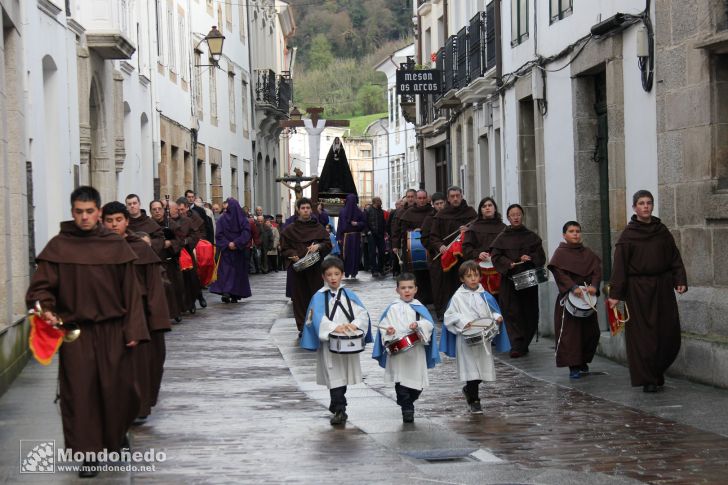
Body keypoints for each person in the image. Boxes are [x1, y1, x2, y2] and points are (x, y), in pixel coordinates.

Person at [26, 186, 148, 478]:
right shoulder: (59, 246)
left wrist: (133, 329)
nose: (84, 217)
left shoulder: (115, 246)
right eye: (79, 212)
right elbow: (41, 288)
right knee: (80, 394)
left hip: (113, 330)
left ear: (98, 211)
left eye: (90, 211)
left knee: (117, 390)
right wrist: (47, 309)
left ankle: (116, 434)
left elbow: (130, 292)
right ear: (72, 212)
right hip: (76, 333)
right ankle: (88, 454)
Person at [608, 190, 687, 393]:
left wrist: (679, 279)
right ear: (634, 207)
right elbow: (620, 266)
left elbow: (674, 257)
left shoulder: (662, 231)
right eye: (641, 203)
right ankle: (648, 378)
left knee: (667, 332)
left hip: (662, 286)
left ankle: (658, 370)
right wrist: (616, 294)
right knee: (644, 335)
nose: (645, 206)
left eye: (649, 203)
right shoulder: (628, 235)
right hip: (638, 290)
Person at [102, 202, 171, 425]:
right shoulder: (97, 249)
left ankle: (140, 406)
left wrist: (156, 320)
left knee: (143, 364)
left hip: (141, 315)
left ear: (126, 221)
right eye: (109, 221)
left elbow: (154, 287)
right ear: (103, 222)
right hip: (108, 317)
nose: (114, 225)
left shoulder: (141, 249)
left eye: (118, 220)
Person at [300, 257, 372, 425]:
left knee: (343, 375)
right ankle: (340, 409)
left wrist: (354, 325)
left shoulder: (349, 295)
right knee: (334, 374)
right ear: (323, 277)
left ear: (342, 275)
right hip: (329, 343)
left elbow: (362, 314)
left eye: (336, 274)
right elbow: (316, 318)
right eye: (329, 274)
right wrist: (333, 327)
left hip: (347, 342)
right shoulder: (318, 297)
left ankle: (336, 402)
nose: (333, 278)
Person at [372, 273, 440, 423]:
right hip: (399, 353)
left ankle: (407, 400)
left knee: (417, 386)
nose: (407, 290)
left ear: (416, 289)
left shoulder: (419, 307)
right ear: (397, 290)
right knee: (401, 382)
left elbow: (429, 325)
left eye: (410, 287)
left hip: (416, 351)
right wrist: (388, 331)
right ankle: (407, 408)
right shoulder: (392, 308)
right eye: (403, 288)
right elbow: (384, 326)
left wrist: (419, 325)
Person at [440, 261, 507, 413]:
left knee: (482, 371)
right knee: (471, 370)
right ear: (462, 279)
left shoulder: (485, 295)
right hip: (465, 340)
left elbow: (492, 311)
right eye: (469, 276)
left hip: (483, 339)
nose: (473, 279)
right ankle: (474, 401)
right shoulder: (457, 297)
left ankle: (468, 390)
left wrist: (497, 317)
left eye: (476, 275)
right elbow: (450, 316)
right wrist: (465, 322)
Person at [490, 204, 546, 358]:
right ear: (508, 218)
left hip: (528, 281)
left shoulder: (531, 236)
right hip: (509, 281)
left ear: (522, 216)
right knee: (511, 312)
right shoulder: (502, 238)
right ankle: (516, 344)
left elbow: (541, 256)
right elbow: (496, 257)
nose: (515, 217)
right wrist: (509, 263)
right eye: (512, 215)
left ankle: (524, 343)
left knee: (529, 312)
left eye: (518, 214)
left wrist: (530, 258)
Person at [548, 221, 602, 379]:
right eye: (571, 231)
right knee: (571, 335)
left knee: (591, 332)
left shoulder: (588, 253)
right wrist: (572, 288)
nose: (575, 234)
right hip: (570, 298)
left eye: (578, 231)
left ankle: (583, 360)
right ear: (564, 235)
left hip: (587, 298)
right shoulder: (560, 253)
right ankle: (573, 365)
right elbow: (559, 273)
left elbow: (596, 271)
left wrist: (594, 286)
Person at [280, 198, 333, 335]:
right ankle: (303, 327)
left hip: (314, 269)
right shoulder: (290, 229)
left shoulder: (318, 227)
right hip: (297, 269)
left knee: (315, 297)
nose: (305, 210)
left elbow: (328, 244)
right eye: (302, 208)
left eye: (308, 208)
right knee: (299, 299)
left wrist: (318, 246)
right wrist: (292, 254)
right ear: (298, 210)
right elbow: (284, 248)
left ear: (311, 209)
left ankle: (316, 324)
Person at [428, 186, 478, 317]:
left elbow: (478, 231)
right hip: (448, 259)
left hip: (465, 258)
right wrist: (440, 246)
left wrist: (469, 230)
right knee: (448, 287)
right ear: (448, 199)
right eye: (452, 196)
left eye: (457, 195)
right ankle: (449, 312)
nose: (455, 198)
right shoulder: (441, 215)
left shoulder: (471, 213)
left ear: (462, 196)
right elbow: (433, 236)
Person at [209, 198, 253, 303]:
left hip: (238, 251)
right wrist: (228, 244)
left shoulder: (242, 220)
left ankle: (234, 294)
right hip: (227, 251)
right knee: (227, 272)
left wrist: (236, 243)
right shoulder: (223, 219)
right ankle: (227, 292)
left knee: (235, 273)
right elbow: (219, 235)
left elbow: (246, 233)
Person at [462, 197, 507, 297]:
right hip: (479, 271)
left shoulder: (503, 228)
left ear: (495, 209)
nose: (487, 208)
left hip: (500, 270)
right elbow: (466, 248)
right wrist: (478, 253)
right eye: (484, 206)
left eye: (490, 205)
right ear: (480, 210)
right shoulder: (473, 228)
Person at [396, 190, 435, 304]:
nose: (422, 200)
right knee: (415, 276)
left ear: (427, 199)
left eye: (424, 198)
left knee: (428, 275)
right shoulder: (408, 213)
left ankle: (430, 299)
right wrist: (413, 232)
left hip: (429, 249)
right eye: (420, 198)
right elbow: (402, 231)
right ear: (416, 199)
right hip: (411, 251)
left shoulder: (432, 212)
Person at [150, 199, 184, 322]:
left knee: (174, 288)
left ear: (163, 210)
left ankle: (175, 312)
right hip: (156, 262)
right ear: (151, 211)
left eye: (159, 209)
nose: (157, 212)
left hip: (170, 261)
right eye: (154, 209)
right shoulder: (149, 225)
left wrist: (171, 243)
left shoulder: (172, 224)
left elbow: (180, 240)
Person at [173, 197, 206, 312]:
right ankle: (186, 303)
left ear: (187, 207)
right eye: (178, 210)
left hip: (190, 250)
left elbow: (200, 233)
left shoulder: (194, 217)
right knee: (182, 280)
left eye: (182, 209)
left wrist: (188, 242)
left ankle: (198, 296)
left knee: (193, 277)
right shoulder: (174, 219)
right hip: (178, 252)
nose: (180, 212)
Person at [421, 192, 447, 318]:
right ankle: (440, 311)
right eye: (437, 204)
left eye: (442, 203)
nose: (440, 206)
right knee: (438, 285)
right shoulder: (429, 219)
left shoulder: (450, 216)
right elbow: (425, 239)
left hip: (451, 257)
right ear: (433, 205)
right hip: (436, 257)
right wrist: (436, 247)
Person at [336, 193, 367, 278]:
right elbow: (339, 224)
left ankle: (354, 272)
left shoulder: (359, 212)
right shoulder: (342, 211)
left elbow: (364, 223)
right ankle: (346, 271)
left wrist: (357, 223)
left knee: (355, 254)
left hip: (356, 237)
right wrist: (338, 237)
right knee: (346, 255)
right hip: (345, 237)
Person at [365, 196, 386, 277]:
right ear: (374, 202)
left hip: (380, 234)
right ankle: (374, 270)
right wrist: (368, 232)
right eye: (378, 201)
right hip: (372, 234)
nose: (380, 202)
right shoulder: (368, 210)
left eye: (380, 201)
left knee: (382, 251)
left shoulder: (380, 211)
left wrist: (384, 231)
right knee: (372, 253)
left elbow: (383, 222)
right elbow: (365, 222)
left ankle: (381, 268)